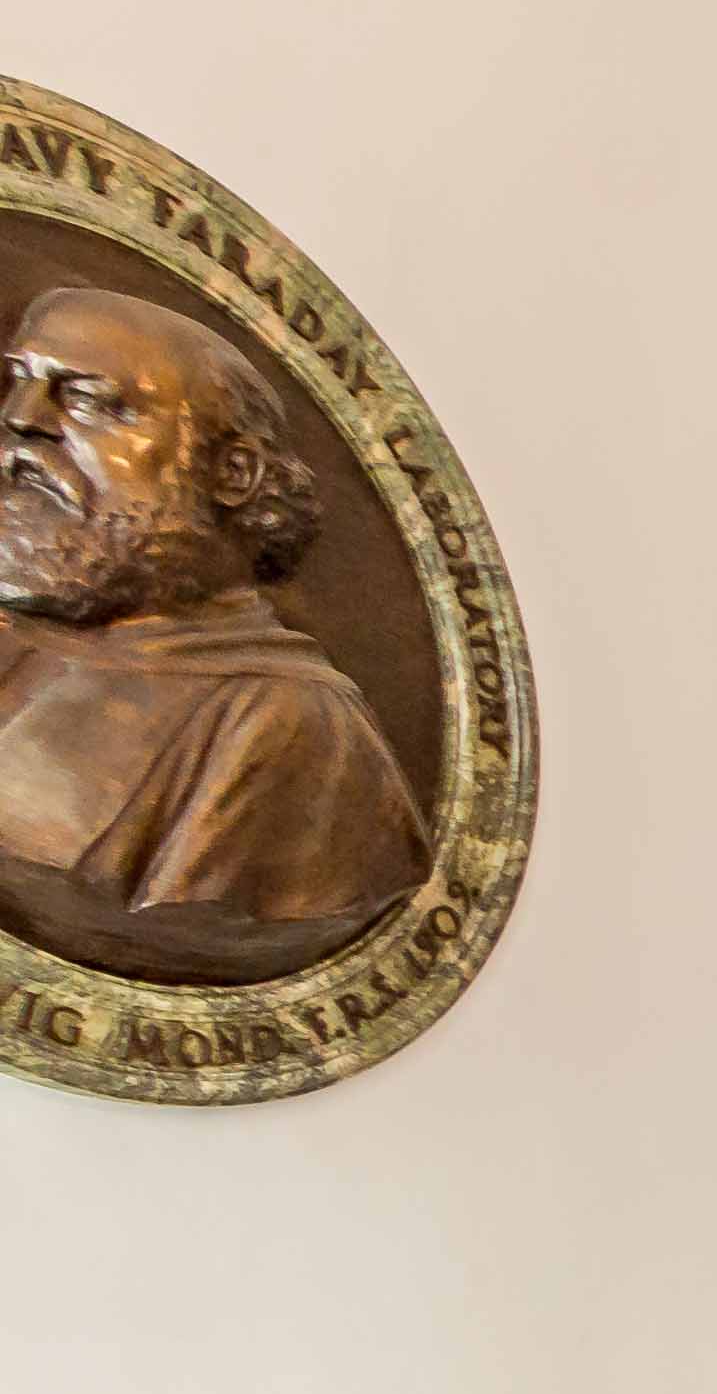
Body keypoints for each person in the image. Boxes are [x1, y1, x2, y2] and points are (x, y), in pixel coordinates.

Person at [0, 283, 428, 987]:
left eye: (87, 399)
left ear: (231, 473)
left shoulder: (295, 733)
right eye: (19, 385)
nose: (21, 422)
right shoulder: (20, 643)